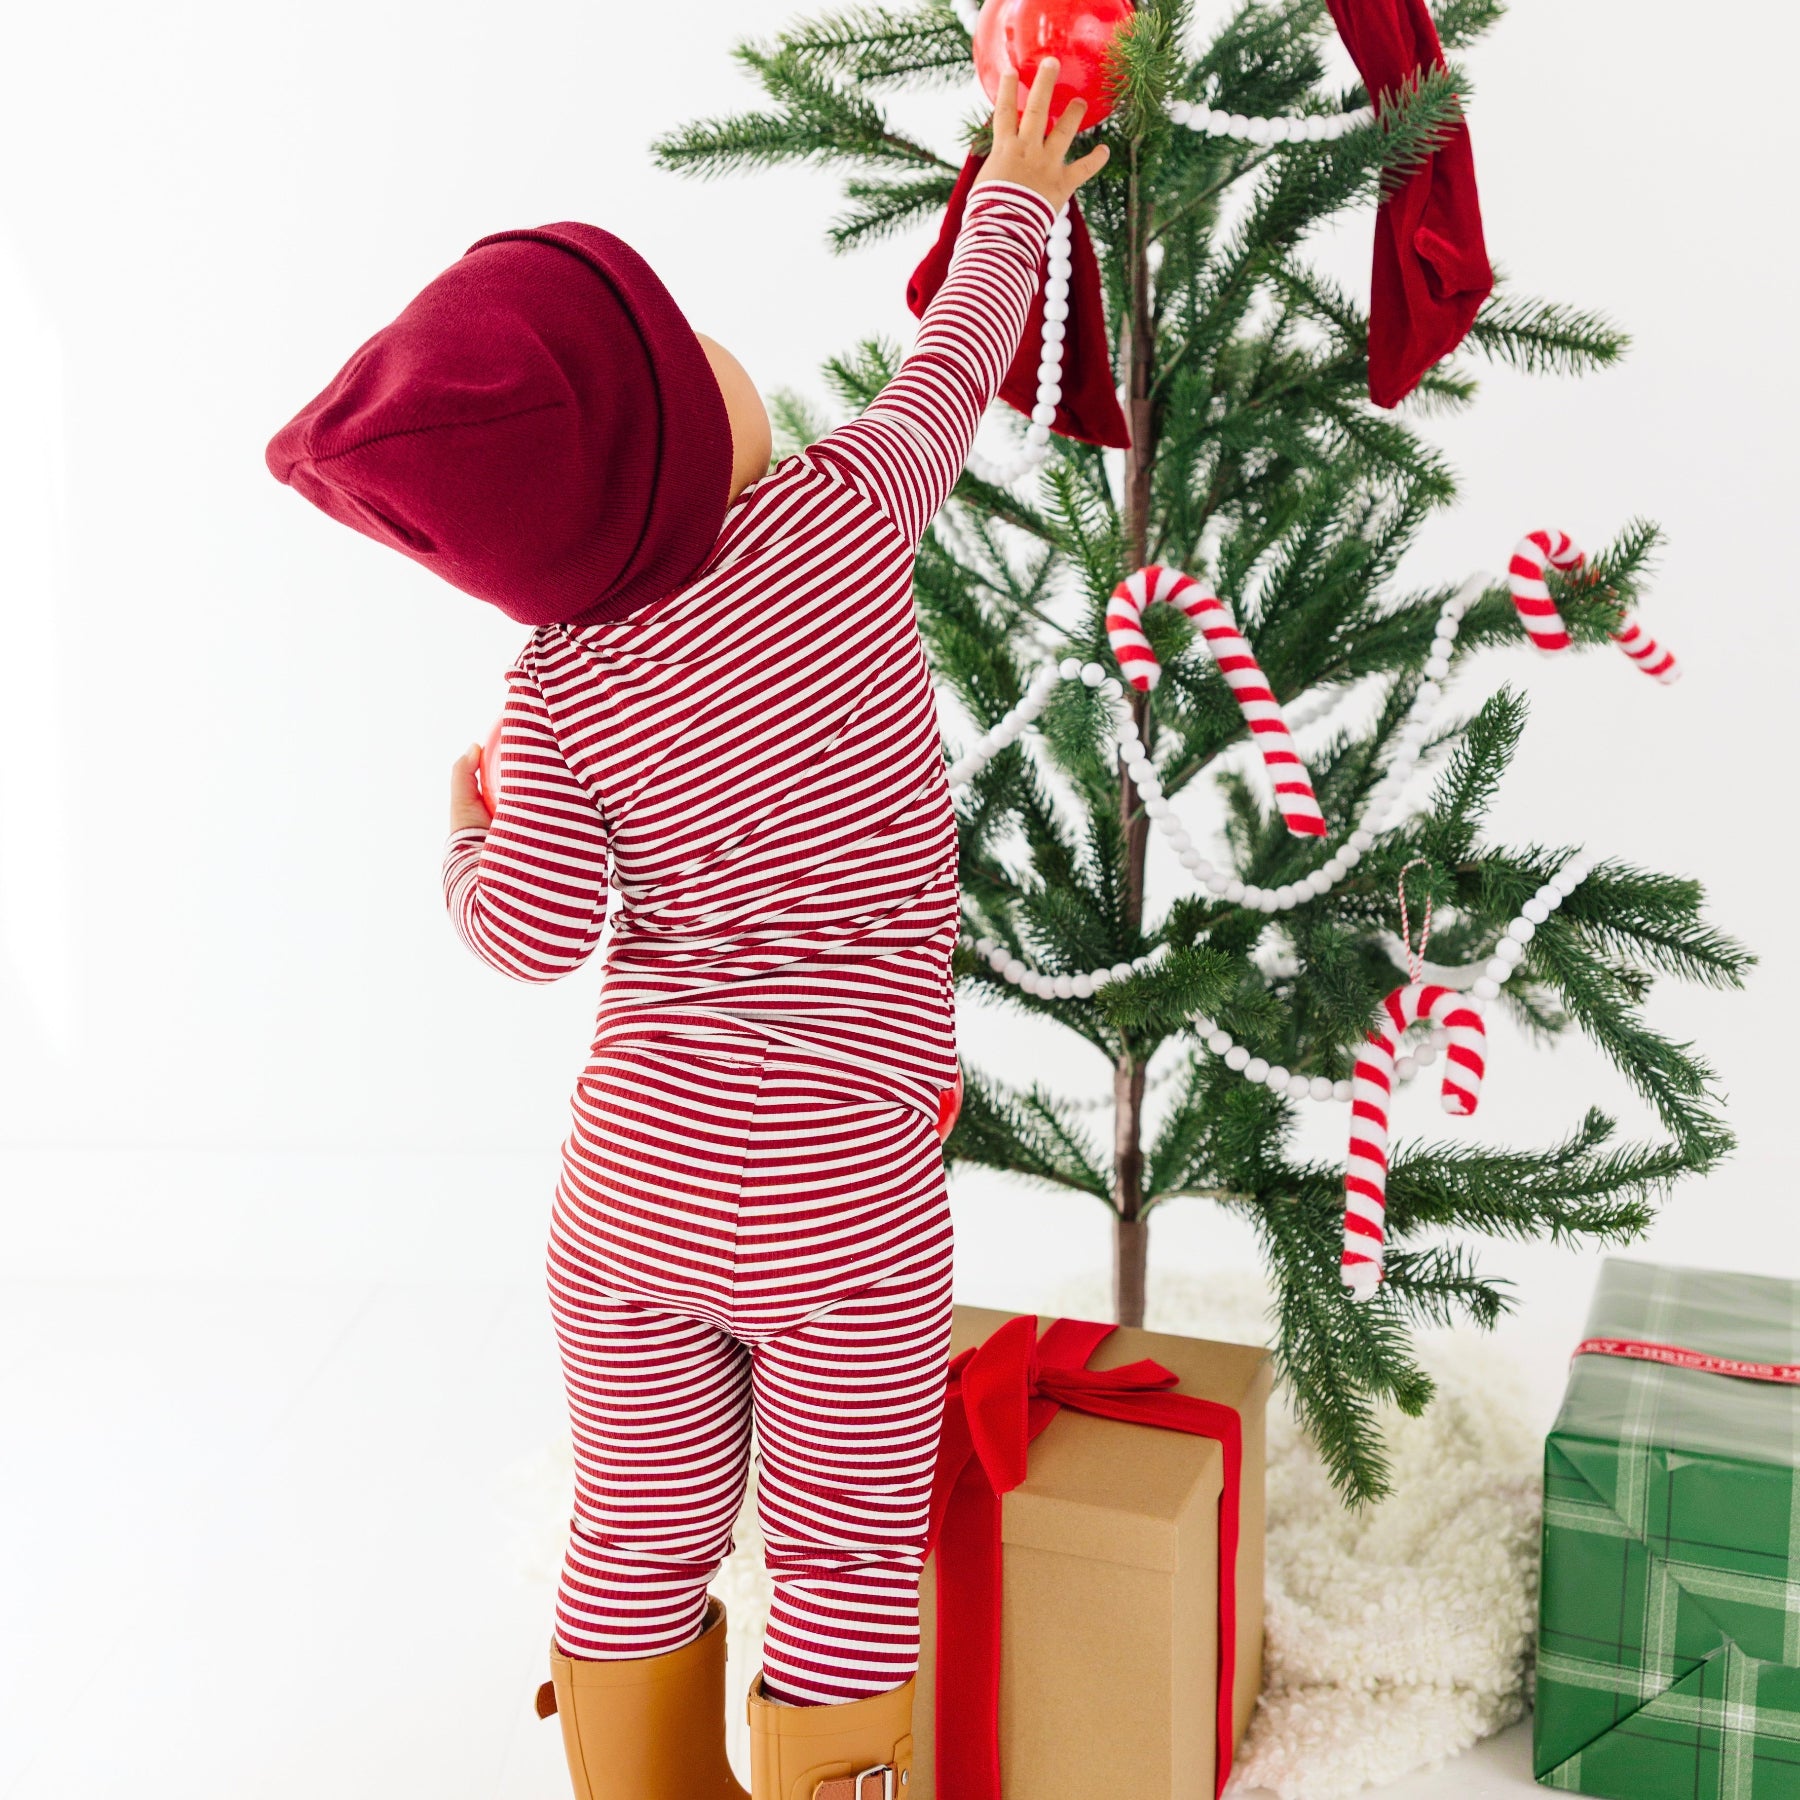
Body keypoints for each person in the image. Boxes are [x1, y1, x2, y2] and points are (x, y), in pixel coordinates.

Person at [266, 59, 1105, 1800]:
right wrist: (1020, 185)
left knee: (639, 1530)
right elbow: (952, 362)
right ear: (672, 441)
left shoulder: (556, 686)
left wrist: (462, 835)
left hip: (630, 1197)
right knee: (845, 1562)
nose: (738, 359)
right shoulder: (844, 521)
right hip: (838, 1204)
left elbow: (529, 936)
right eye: (699, 351)